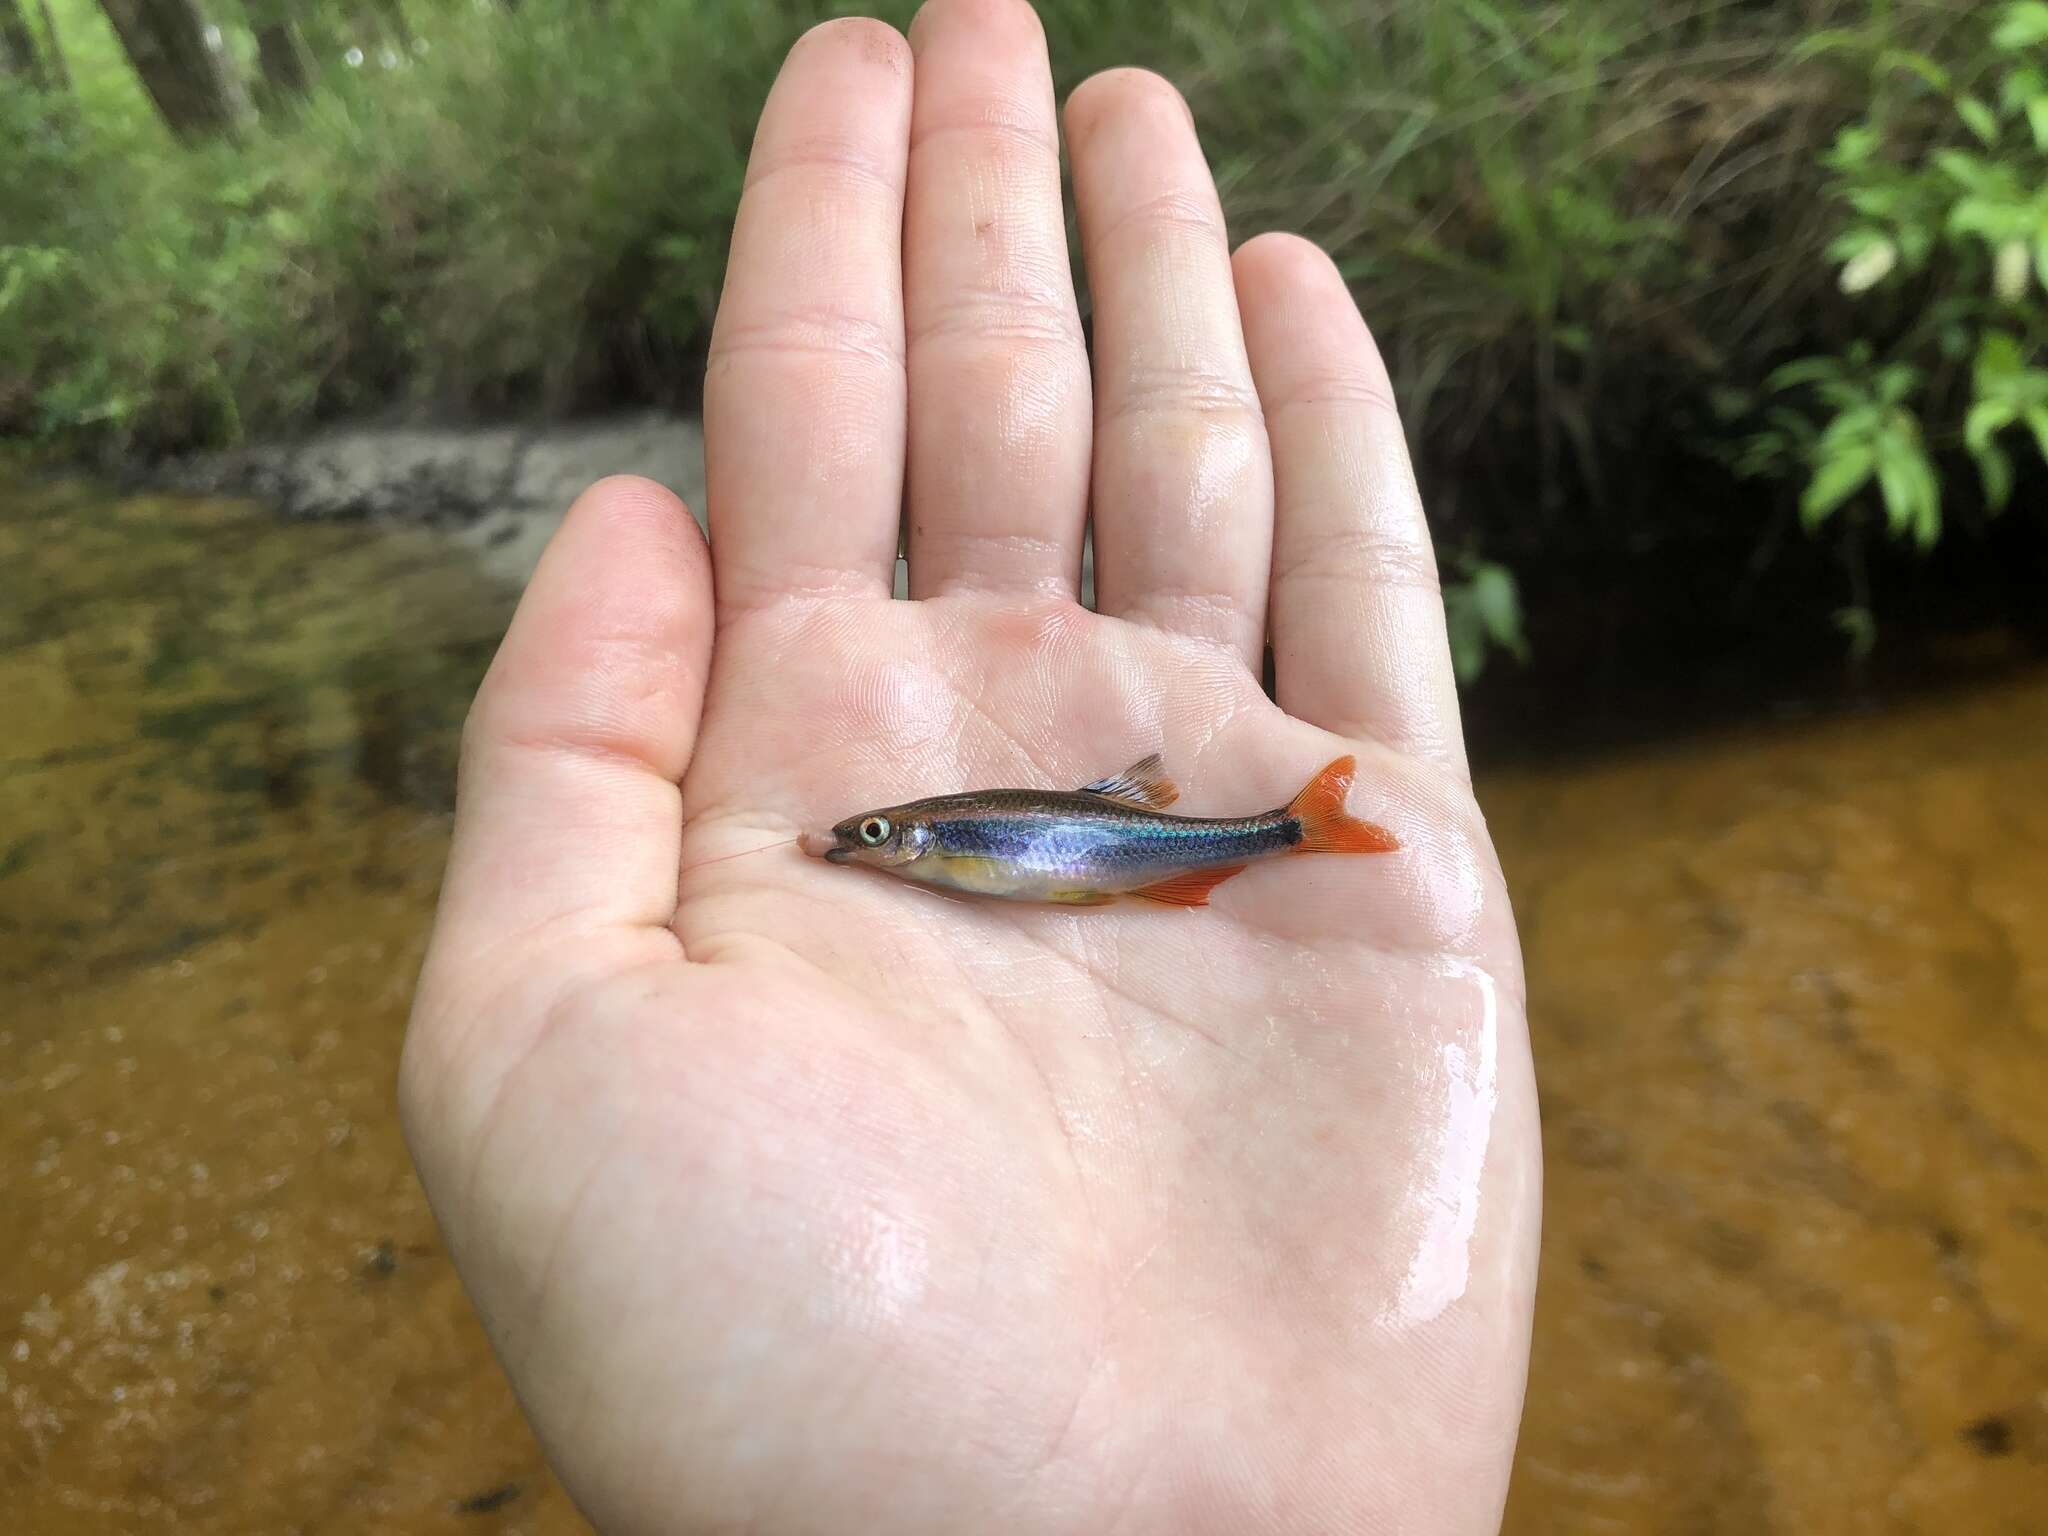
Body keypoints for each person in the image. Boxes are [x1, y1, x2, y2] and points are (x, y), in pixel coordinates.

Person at [399, 1, 1539, 1530]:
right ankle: (1290, 834)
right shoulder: (929, 850)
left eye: (879, 831)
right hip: (1158, 853)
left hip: (1161, 841)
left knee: (1235, 829)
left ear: (905, 838)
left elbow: (1031, 844)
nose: (876, 845)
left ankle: (1293, 832)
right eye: (879, 836)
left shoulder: (947, 843)